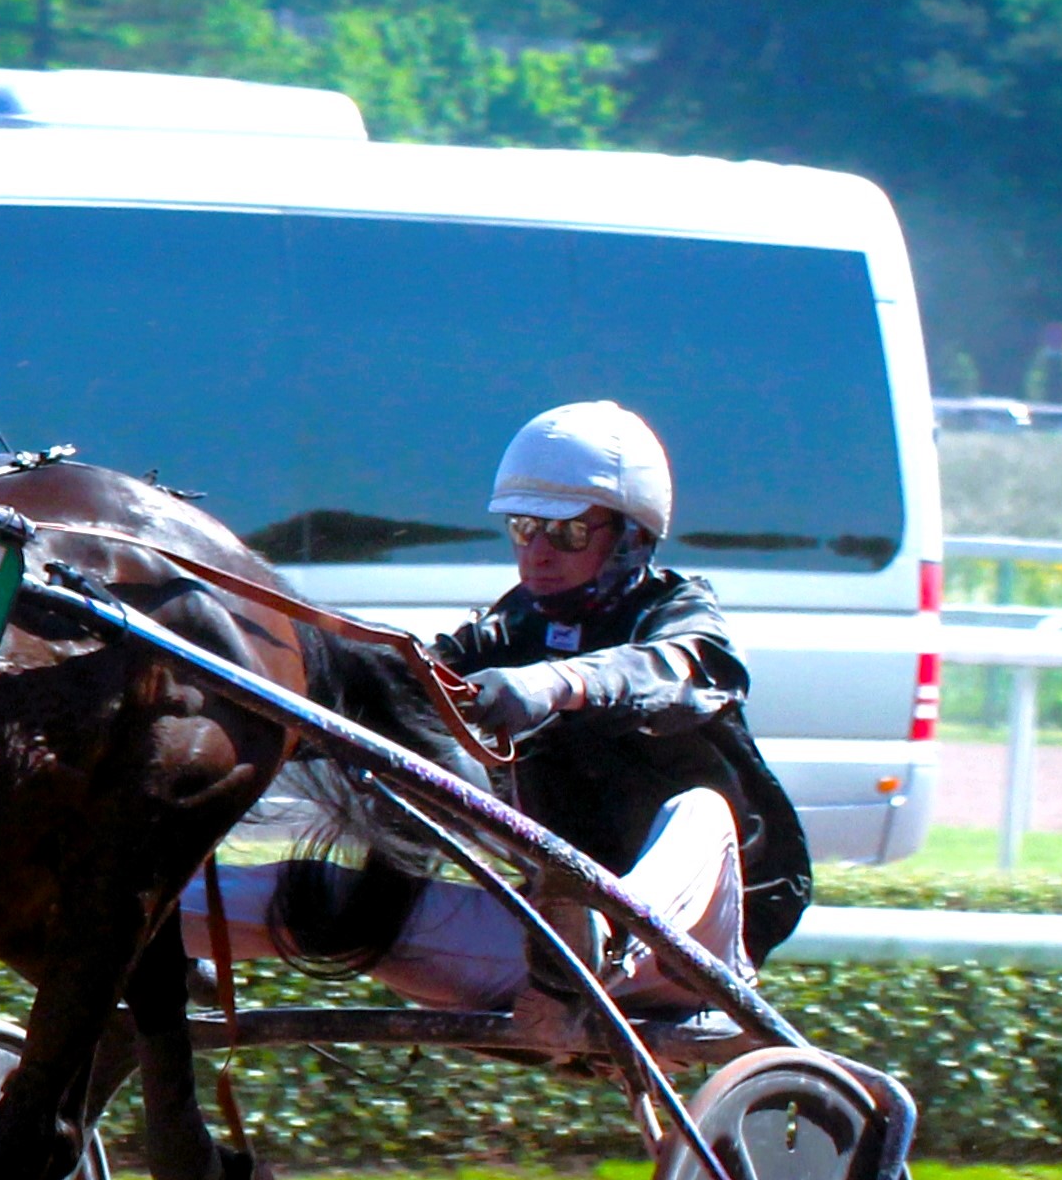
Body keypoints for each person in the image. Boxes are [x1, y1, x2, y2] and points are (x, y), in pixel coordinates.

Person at [186, 400, 811, 1019]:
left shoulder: (679, 616)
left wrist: (556, 685)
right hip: (546, 937)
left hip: (699, 947)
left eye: (565, 532)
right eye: (523, 528)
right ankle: (140, 916)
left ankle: (605, 942)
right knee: (297, 894)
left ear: (631, 538)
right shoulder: (509, 626)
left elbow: (691, 671)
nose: (537, 552)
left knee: (701, 811)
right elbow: (396, 683)